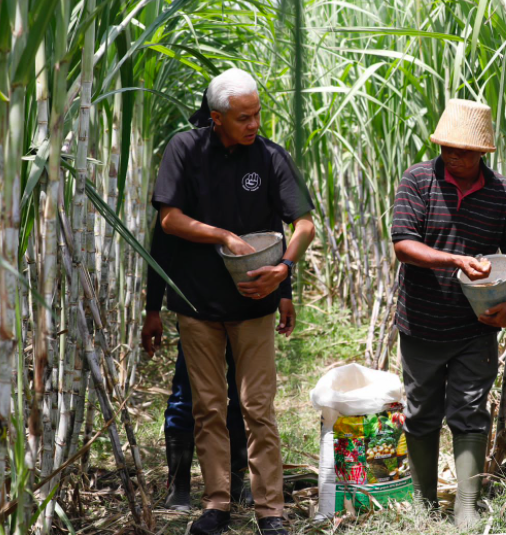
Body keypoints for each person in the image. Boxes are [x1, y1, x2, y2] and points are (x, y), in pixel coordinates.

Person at [151, 67, 315, 535]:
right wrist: (225, 235)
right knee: (208, 406)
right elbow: (169, 221)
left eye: (258, 114)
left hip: (254, 303)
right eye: (244, 117)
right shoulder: (185, 149)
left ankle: (271, 511)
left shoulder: (270, 157)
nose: (254, 124)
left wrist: (283, 272)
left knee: (258, 407)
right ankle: (216, 504)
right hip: (198, 304)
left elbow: (303, 223)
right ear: (217, 117)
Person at [390, 99, 506, 529]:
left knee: (471, 409)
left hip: (478, 323)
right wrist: (455, 261)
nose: (455, 156)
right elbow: (402, 243)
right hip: (422, 321)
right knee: (420, 409)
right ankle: (425, 502)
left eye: (465, 151)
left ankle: (467, 505)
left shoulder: (503, 194)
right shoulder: (418, 180)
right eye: (449, 148)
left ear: (483, 153)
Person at [142, 216, 296, 511]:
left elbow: (274, 241)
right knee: (190, 395)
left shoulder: (256, 174)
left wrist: (284, 292)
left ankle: (236, 479)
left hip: (246, 306)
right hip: (199, 307)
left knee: (245, 396)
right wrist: (153, 308)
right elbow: (163, 241)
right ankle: (179, 485)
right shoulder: (187, 182)